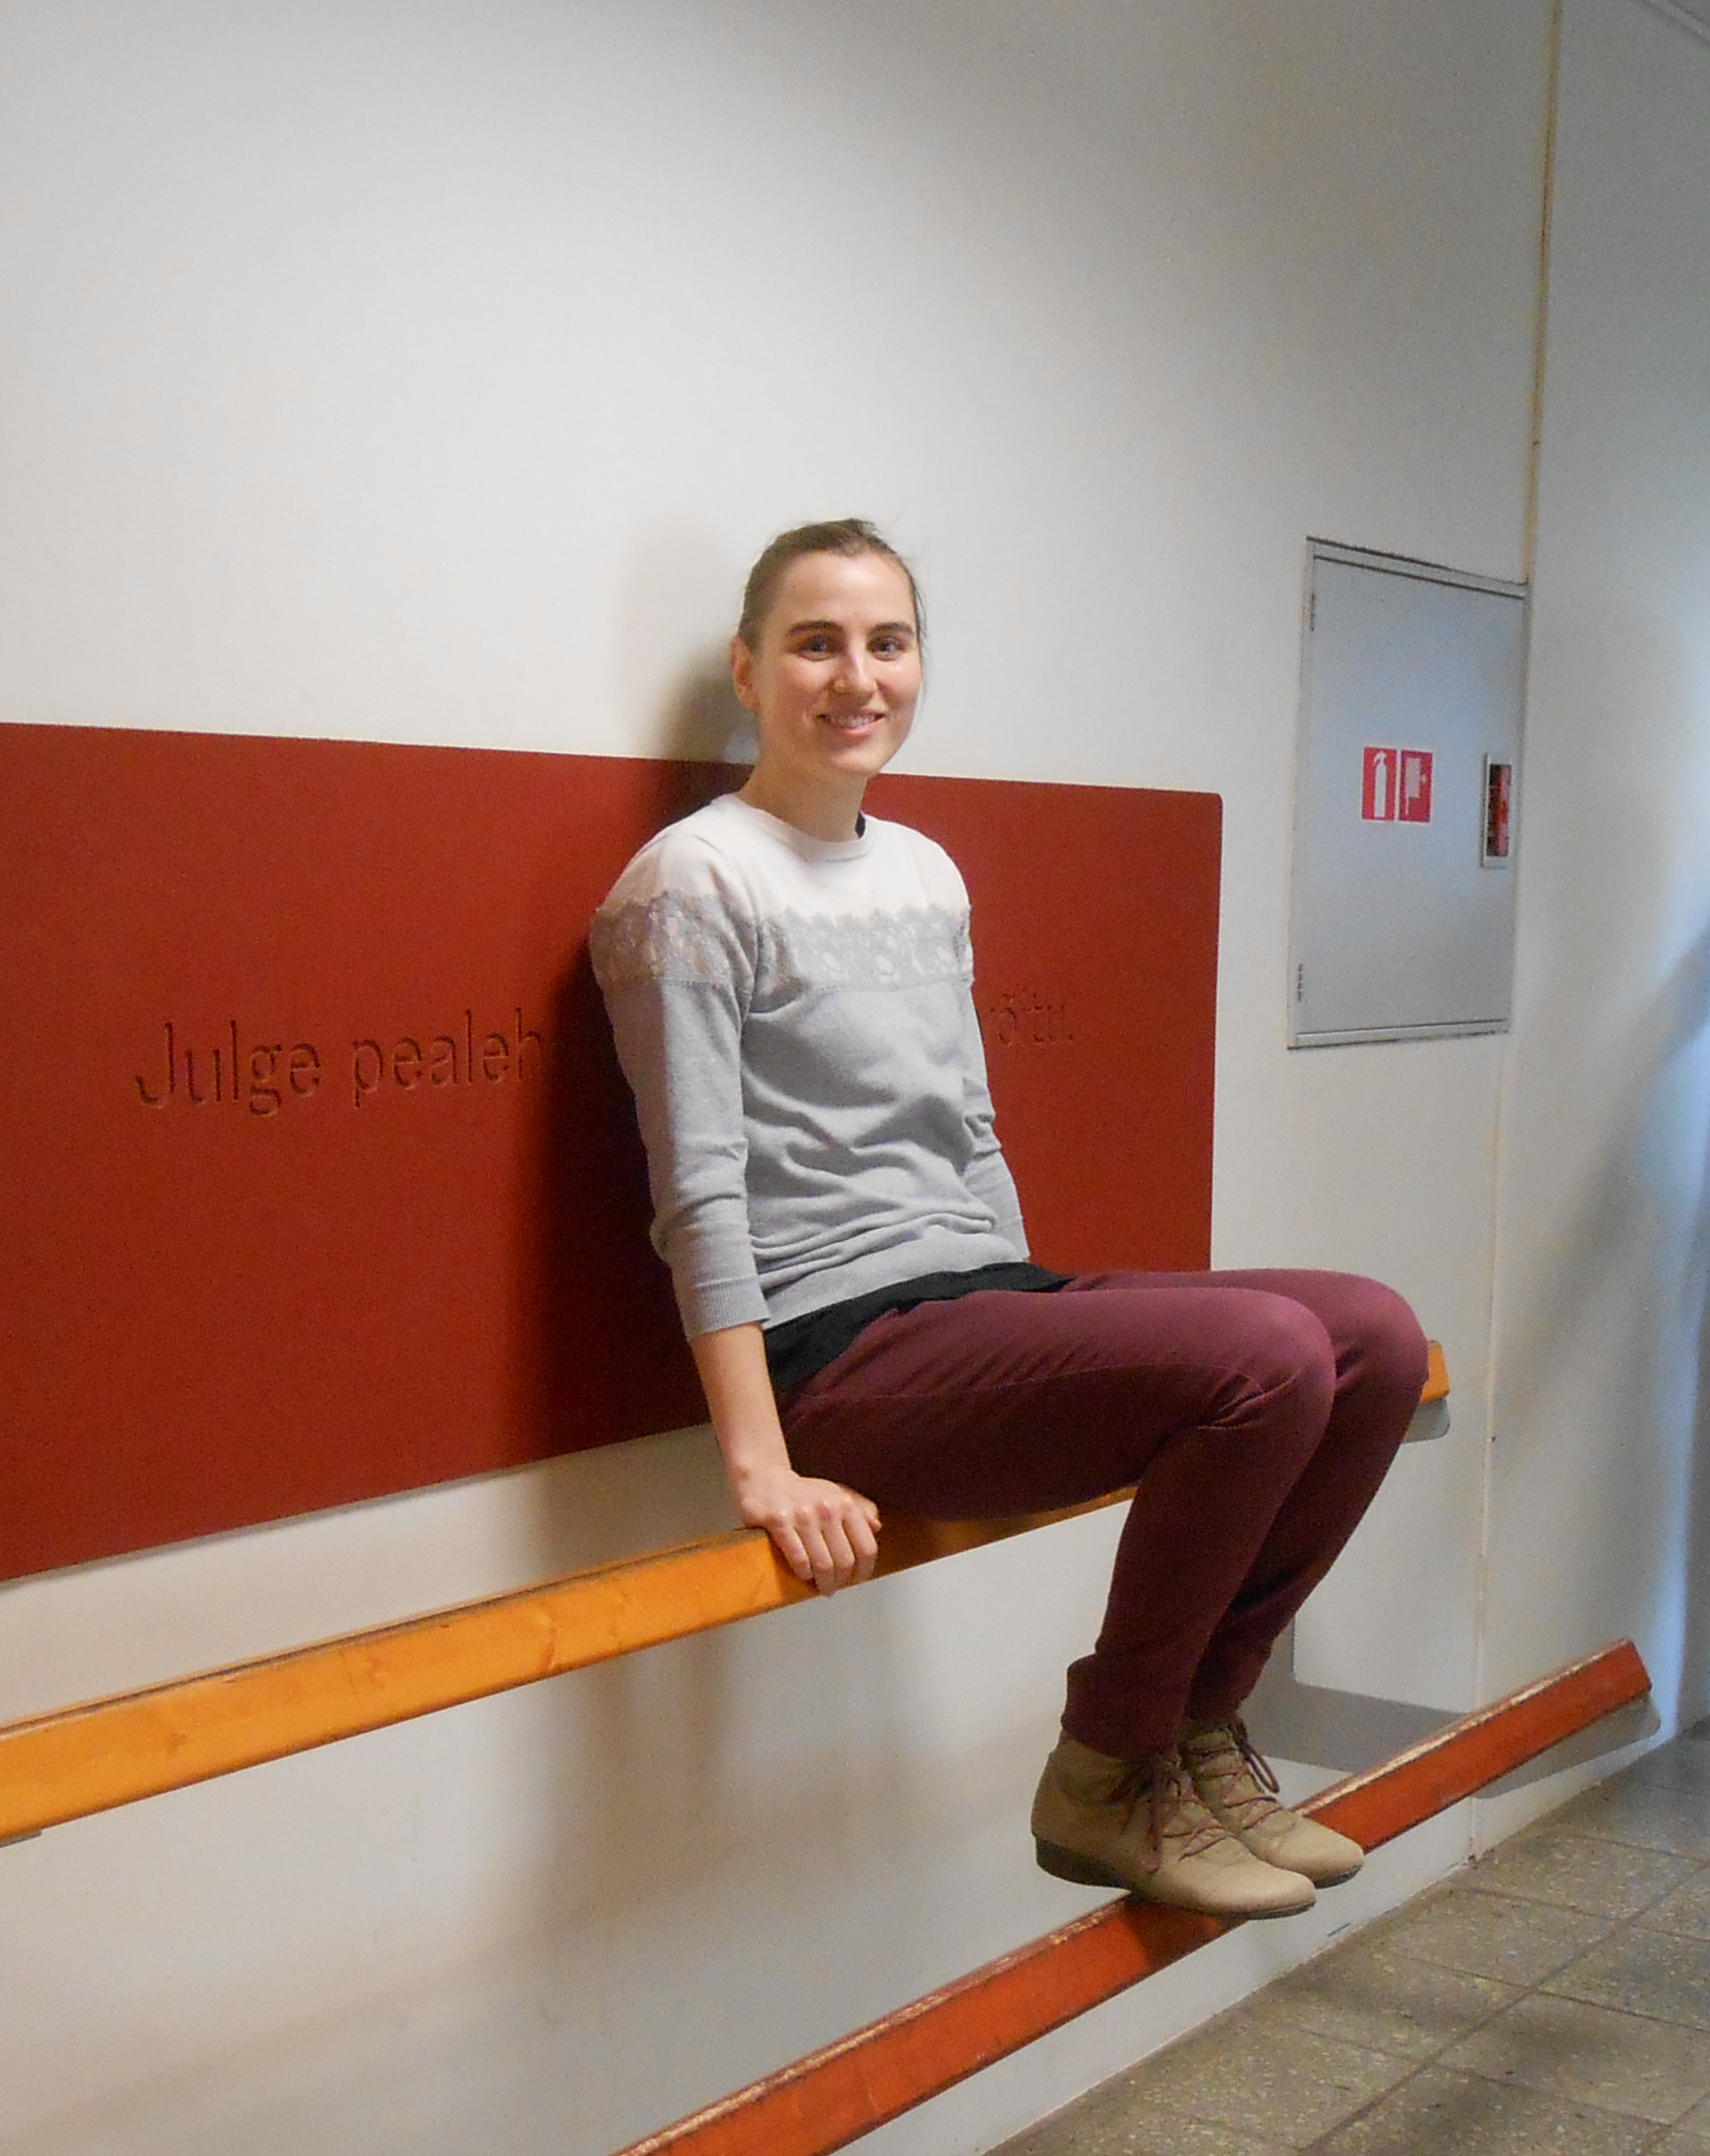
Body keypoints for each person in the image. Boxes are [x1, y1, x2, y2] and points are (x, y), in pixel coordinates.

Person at [591, 520, 1427, 1922]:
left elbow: (970, 1130)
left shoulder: (926, 871)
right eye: (815, 644)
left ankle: (1194, 1730)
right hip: (838, 1349)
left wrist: (1038, 1328)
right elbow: (698, 1189)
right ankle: (1107, 1767)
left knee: (1374, 1338)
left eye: (887, 643)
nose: (856, 678)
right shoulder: (690, 882)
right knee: (1266, 1355)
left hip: (976, 1301)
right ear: (748, 670)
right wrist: (760, 1462)